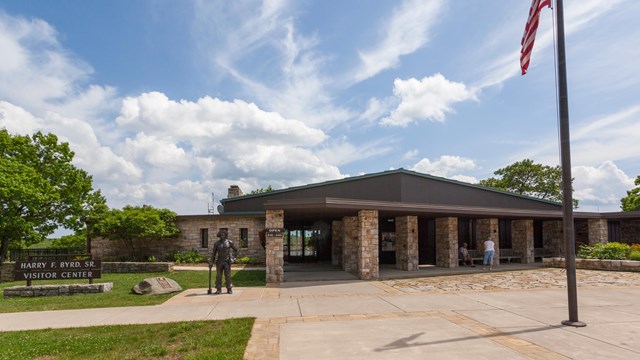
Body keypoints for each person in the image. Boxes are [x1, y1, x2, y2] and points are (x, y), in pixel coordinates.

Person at [210, 228, 239, 294]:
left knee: (228, 275)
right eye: (221, 234)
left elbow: (236, 250)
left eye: (223, 234)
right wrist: (211, 261)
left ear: (226, 235)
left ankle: (229, 288)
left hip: (227, 261)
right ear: (219, 235)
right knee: (219, 275)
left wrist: (233, 258)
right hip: (219, 261)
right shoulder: (216, 244)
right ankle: (218, 289)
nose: (222, 235)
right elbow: (214, 254)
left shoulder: (229, 242)